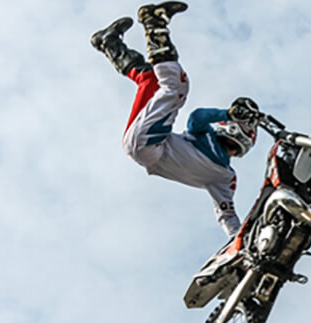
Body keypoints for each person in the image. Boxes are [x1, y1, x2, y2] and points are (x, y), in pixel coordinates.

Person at [90, 2, 260, 237]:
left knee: (176, 87)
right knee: (151, 80)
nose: (232, 153)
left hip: (148, 146)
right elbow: (197, 117)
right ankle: (109, 43)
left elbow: (227, 213)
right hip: (149, 143)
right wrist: (227, 114)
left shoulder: (225, 174)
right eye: (234, 148)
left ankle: (154, 23)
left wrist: (240, 242)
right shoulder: (208, 144)